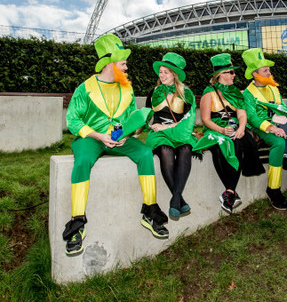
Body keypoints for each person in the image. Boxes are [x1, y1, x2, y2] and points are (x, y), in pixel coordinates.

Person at [63, 34, 168, 256]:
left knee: (146, 153)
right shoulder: (85, 88)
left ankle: (150, 212)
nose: (127, 66)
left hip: (120, 139)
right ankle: (77, 223)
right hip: (90, 138)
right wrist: (99, 136)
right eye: (123, 63)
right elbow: (72, 120)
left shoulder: (127, 89)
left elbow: (133, 121)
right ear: (111, 64)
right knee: (82, 161)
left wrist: (130, 133)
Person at [194, 53, 262, 214]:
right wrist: (222, 130)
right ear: (220, 75)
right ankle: (231, 192)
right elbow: (205, 119)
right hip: (216, 128)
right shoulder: (209, 92)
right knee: (221, 146)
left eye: (233, 72)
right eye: (230, 72)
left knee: (240, 142)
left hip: (234, 128)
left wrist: (241, 129)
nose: (234, 75)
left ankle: (229, 192)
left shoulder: (236, 92)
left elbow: (242, 114)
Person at [145, 52, 198, 220]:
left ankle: (175, 199)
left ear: (174, 75)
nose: (161, 75)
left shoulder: (186, 94)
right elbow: (146, 116)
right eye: (160, 72)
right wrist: (141, 128)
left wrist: (167, 126)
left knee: (185, 149)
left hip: (180, 132)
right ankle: (179, 199)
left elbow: (189, 119)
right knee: (165, 151)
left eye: (165, 72)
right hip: (160, 136)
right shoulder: (153, 92)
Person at [241, 48, 287, 210]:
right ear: (255, 74)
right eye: (265, 70)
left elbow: (281, 108)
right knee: (278, 142)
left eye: (269, 69)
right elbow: (253, 118)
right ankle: (273, 189)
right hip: (258, 128)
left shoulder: (273, 87)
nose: (269, 73)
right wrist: (271, 127)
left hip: (276, 124)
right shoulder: (248, 93)